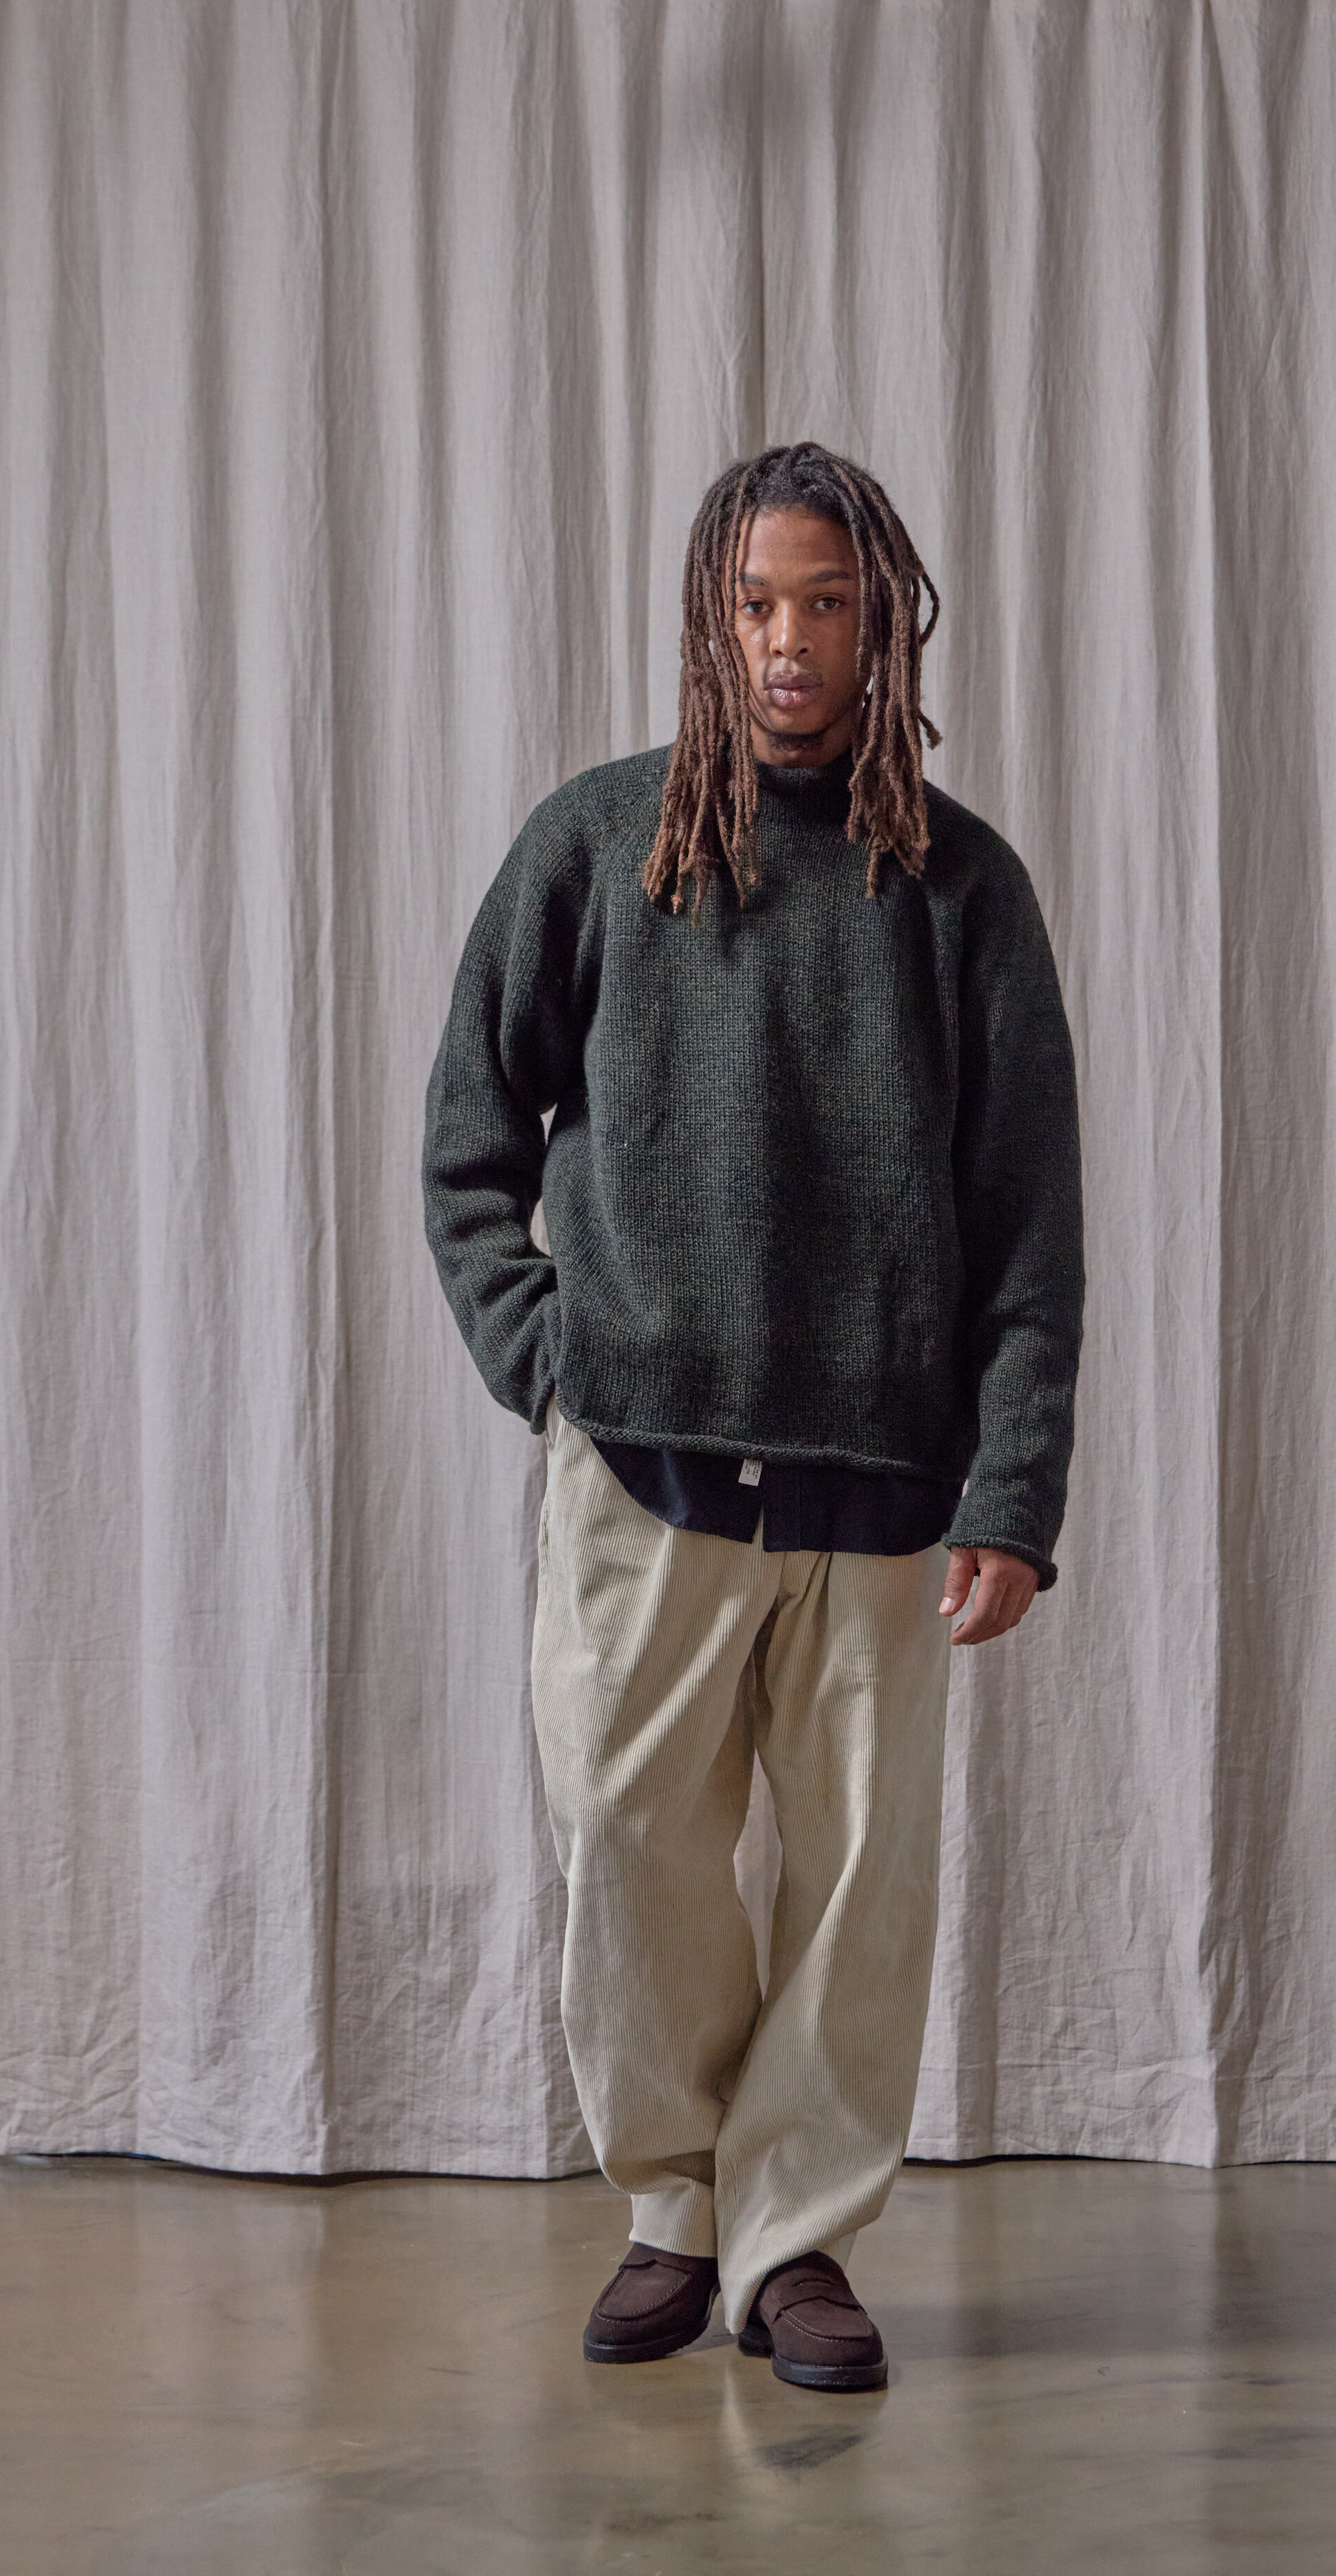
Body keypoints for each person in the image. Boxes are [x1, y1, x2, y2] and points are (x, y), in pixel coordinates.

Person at [423, 440, 1083, 2394]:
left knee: (861, 1887)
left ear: (885, 625)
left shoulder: (960, 885)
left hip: (884, 1485)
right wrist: (546, 1355)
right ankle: (675, 2209)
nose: (789, 641)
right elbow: (471, 1138)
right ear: (709, 623)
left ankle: (799, 2241)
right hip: (639, 1462)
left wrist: (1015, 1486)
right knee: (629, 1841)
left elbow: (1029, 1215)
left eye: (826, 604)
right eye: (754, 604)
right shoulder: (598, 844)